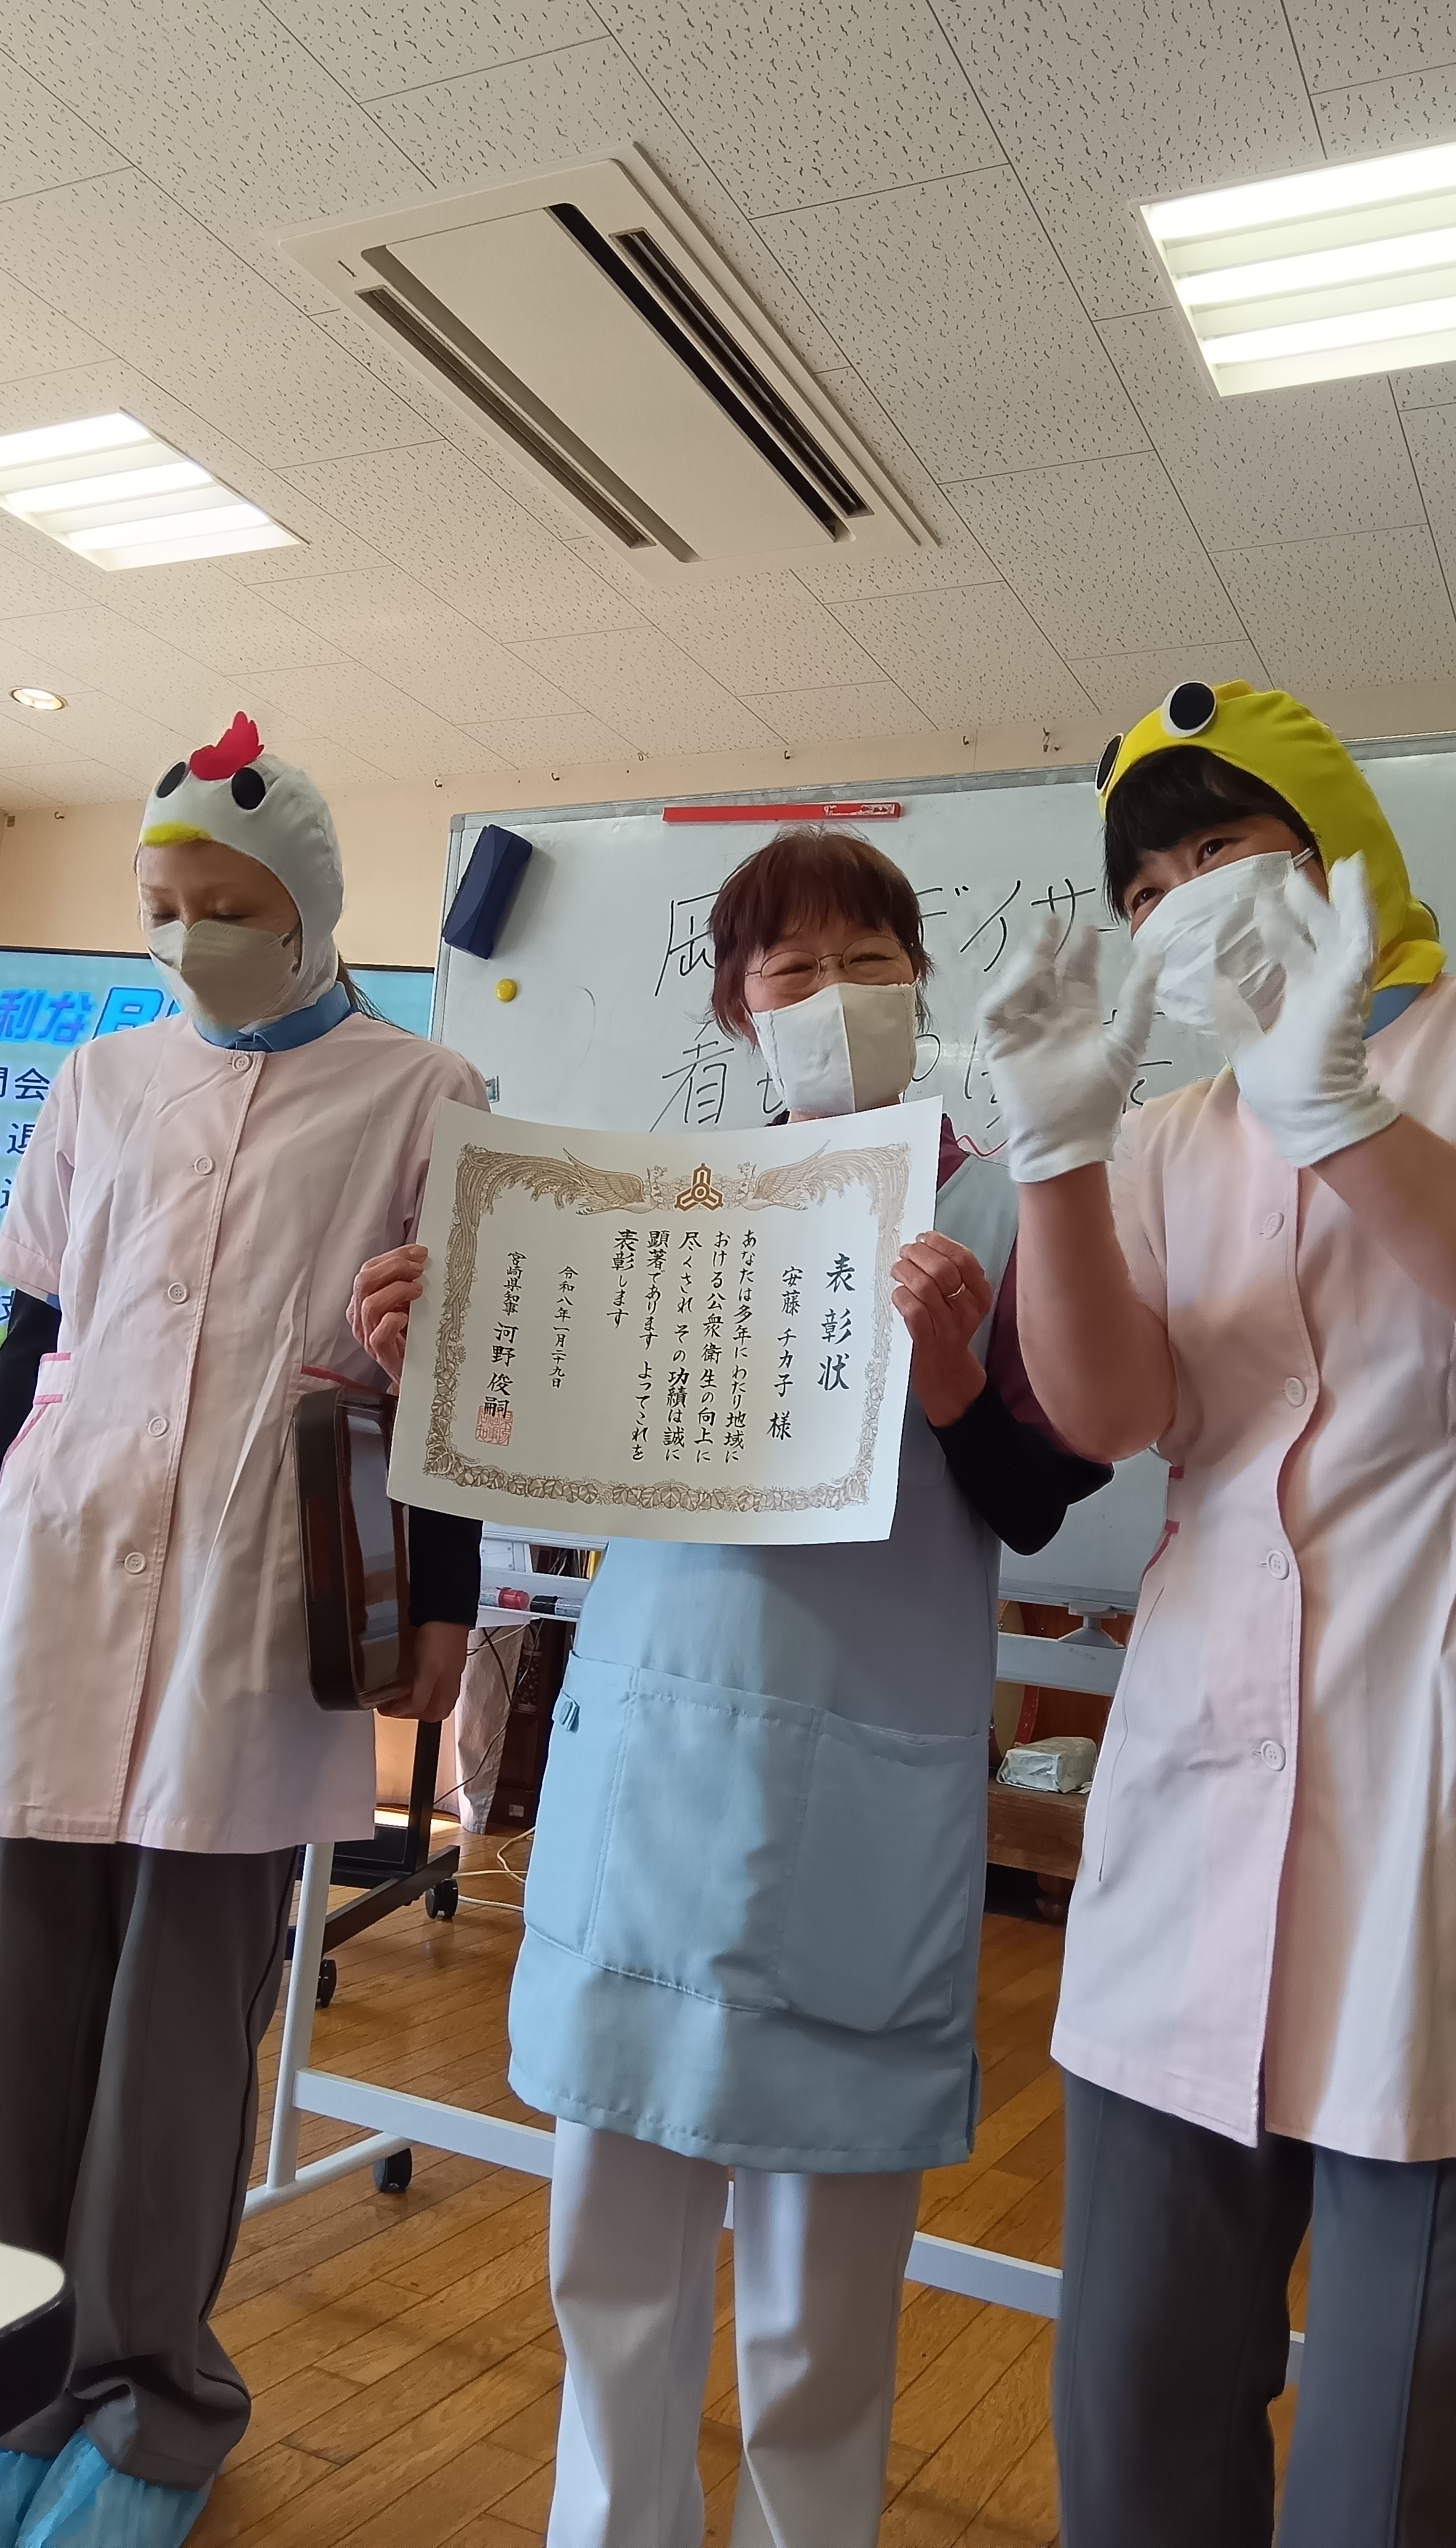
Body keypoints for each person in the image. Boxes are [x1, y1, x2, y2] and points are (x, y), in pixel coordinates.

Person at [351, 826, 1110, 2548]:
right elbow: (536, 1464)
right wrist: (439, 1363)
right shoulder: (656, 1214)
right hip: (651, 1767)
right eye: (794, 970)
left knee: (818, 2302)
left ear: (920, 983)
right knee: (610, 2260)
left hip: (858, 1791)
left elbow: (1044, 1498)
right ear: (739, 1008)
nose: (835, 996)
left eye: (870, 961)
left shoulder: (1001, 1205)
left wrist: (948, 1377)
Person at [0, 712, 488, 2548]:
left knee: (182, 2025)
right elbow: (36, 1335)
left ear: (308, 908)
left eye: (226, 906)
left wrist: (443, 1607)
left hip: (260, 1595)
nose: (189, 937)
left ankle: (147, 2407)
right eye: (164, 907)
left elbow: (460, 1385)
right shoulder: (104, 1081)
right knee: (16, 2002)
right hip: (57, 1578)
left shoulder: (426, 1093)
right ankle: (14, 2382)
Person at [978, 679, 1456, 2548]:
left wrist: (1338, 1111)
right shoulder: (1169, 1133)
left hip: (1426, 1818)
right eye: (1148, 884)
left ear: (1336, 850)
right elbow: (1109, 1416)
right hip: (1193, 1811)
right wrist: (1056, 1156)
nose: (1185, 899)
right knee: (1140, 2410)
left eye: (1223, 846)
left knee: (1394, 2459)